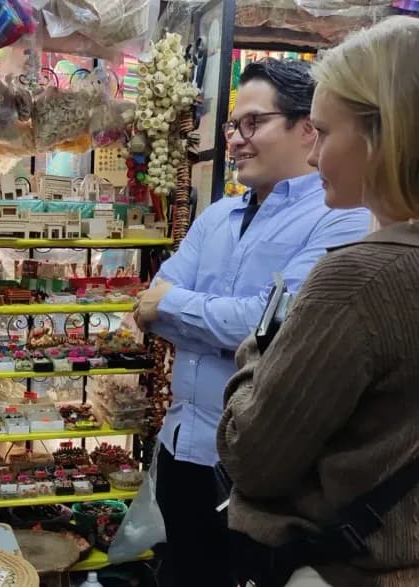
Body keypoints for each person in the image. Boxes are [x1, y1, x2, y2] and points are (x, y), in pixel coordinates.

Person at [132, 59, 371, 586]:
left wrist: (178, 308)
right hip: (180, 448)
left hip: (257, 471)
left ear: (306, 128)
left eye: (252, 123)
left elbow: (279, 330)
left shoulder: (342, 217)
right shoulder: (218, 214)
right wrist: (214, 321)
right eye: (232, 126)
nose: (237, 140)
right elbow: (150, 305)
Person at [217, 16, 419, 587]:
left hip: (348, 567)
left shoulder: (360, 275)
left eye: (325, 134)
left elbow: (250, 457)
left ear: (383, 133)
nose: (312, 157)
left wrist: (259, 351)